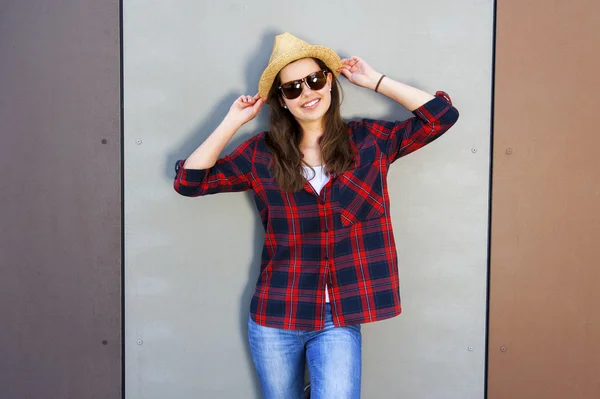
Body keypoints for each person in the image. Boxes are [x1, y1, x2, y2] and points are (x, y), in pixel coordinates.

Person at [173, 32, 459, 399]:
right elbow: (190, 182)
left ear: (329, 82)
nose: (307, 93)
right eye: (292, 89)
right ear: (283, 101)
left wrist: (375, 81)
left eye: (314, 80)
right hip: (276, 313)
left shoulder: (369, 141)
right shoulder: (263, 154)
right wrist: (233, 121)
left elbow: (441, 117)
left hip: (337, 318)